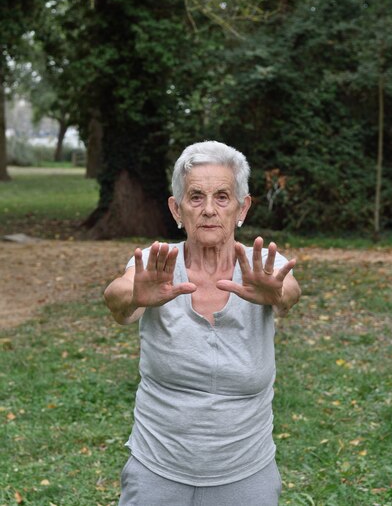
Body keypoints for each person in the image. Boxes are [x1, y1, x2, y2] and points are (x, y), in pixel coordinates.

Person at [104, 140, 301, 506]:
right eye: (195, 197)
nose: (209, 210)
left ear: (242, 208)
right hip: (157, 469)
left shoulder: (258, 266)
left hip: (247, 472)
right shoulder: (157, 262)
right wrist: (134, 295)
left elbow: (289, 291)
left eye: (222, 197)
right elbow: (117, 299)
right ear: (176, 209)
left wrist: (276, 294)